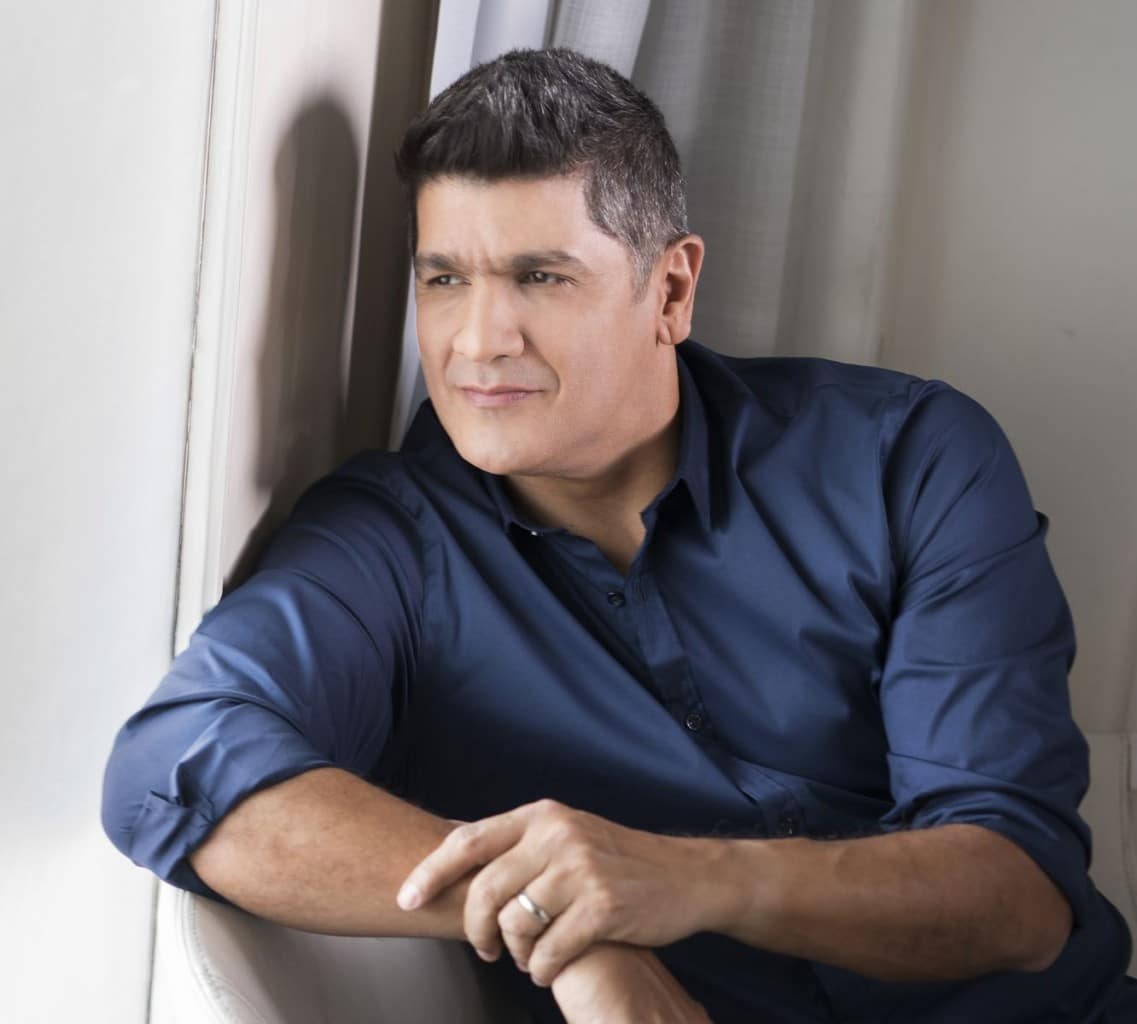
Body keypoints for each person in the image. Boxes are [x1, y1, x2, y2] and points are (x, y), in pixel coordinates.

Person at [102, 47, 1136, 1022]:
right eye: (444, 277)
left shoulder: (904, 458)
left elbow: (1017, 895)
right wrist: (562, 919)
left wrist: (680, 879)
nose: (476, 343)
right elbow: (172, 766)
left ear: (671, 290)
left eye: (540, 277)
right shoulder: (391, 545)